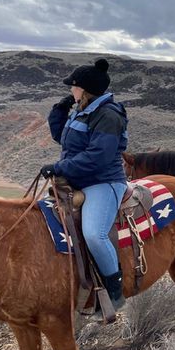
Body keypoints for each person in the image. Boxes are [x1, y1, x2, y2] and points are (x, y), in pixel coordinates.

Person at [41, 58, 129, 310]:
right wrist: (59, 112)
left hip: (103, 182)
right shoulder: (84, 109)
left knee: (94, 234)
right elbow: (64, 139)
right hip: (76, 179)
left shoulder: (108, 115)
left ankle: (114, 291)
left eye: (73, 87)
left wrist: (58, 168)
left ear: (85, 89)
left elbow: (97, 158)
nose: (71, 90)